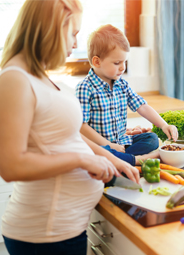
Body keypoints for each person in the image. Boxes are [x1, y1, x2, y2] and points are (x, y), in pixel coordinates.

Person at [0, 1, 139, 255]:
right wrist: (82, 161)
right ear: (50, 28)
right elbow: (10, 165)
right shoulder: (14, 79)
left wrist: (110, 157)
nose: (76, 42)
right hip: (45, 235)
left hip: (63, 228)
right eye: (72, 33)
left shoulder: (37, 75)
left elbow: (70, 135)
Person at [75, 24, 178, 167]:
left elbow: (141, 106)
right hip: (100, 146)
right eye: (117, 63)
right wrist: (109, 145)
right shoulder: (85, 88)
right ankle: (128, 159)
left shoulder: (121, 84)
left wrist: (163, 125)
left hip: (122, 143)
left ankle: (121, 159)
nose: (123, 67)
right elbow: (81, 126)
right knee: (98, 154)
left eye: (125, 61)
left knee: (152, 139)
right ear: (96, 61)